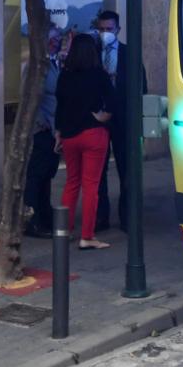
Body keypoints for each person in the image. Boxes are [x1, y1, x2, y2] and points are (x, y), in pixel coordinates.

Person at [56, 33, 115, 249]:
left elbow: (59, 106)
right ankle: (87, 236)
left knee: (72, 182)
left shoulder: (65, 75)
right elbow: (112, 100)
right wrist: (103, 116)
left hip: (70, 135)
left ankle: (64, 229)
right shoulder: (98, 75)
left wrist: (59, 132)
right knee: (91, 186)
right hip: (93, 133)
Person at [92, 10, 144, 232]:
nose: (105, 33)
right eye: (101, 29)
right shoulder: (91, 53)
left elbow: (141, 85)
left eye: (109, 29)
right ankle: (100, 217)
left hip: (123, 121)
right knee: (97, 172)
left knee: (127, 170)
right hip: (97, 120)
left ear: (118, 30)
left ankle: (127, 217)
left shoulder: (129, 53)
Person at [21, 28, 64, 239]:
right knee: (36, 177)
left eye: (57, 39)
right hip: (42, 130)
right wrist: (40, 124)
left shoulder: (53, 63)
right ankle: (32, 220)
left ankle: (44, 216)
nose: (55, 42)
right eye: (51, 39)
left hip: (53, 128)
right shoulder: (35, 67)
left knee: (46, 175)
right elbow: (29, 99)